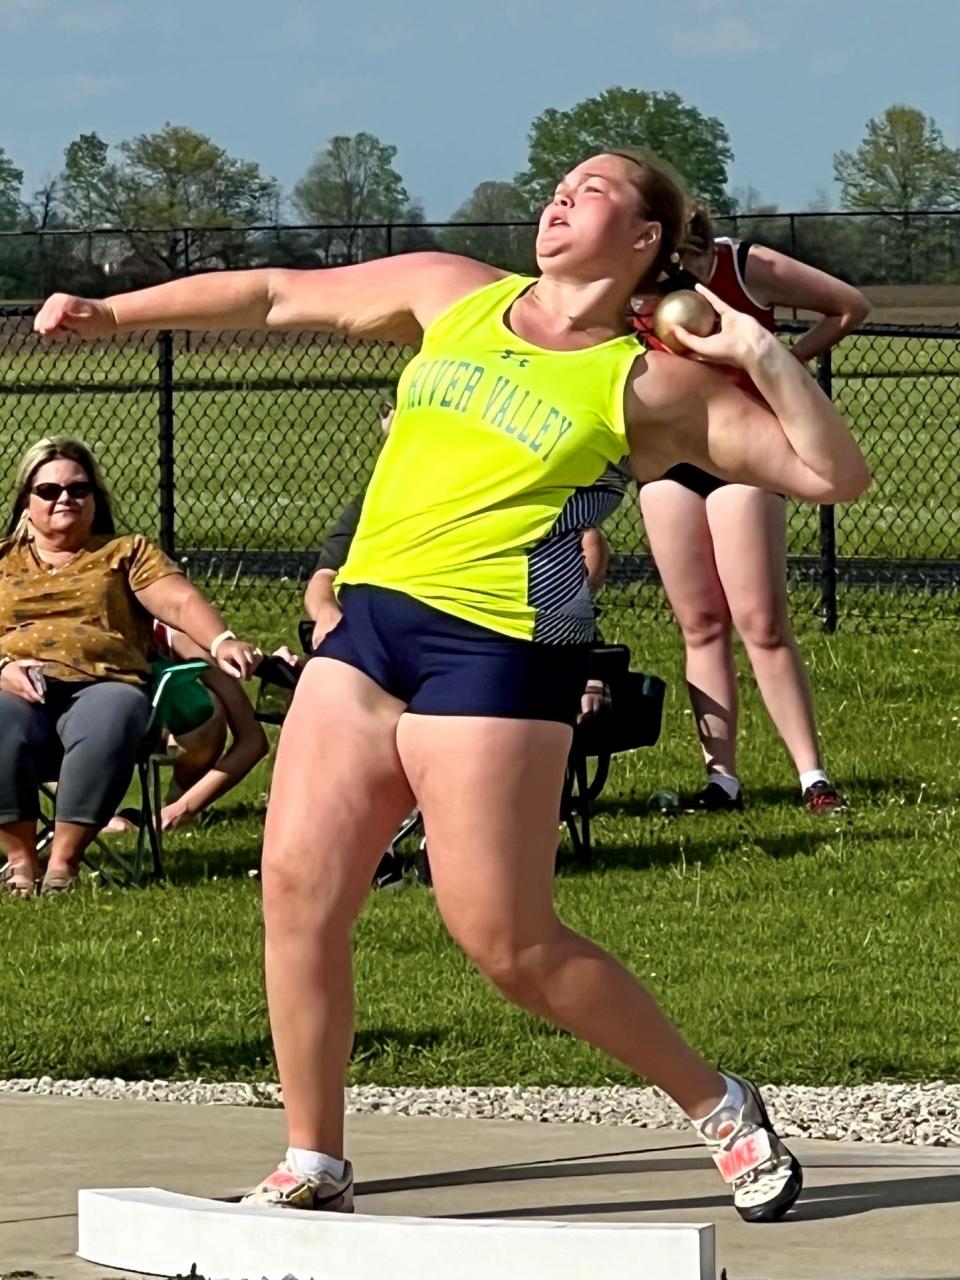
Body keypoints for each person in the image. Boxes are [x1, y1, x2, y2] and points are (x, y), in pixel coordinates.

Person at [35, 148, 869, 1223]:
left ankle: (719, 1105)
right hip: (373, 626)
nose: (562, 197)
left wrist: (754, 342)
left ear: (648, 239)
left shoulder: (648, 380)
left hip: (500, 650)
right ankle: (314, 1158)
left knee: (505, 940)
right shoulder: (455, 293)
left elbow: (832, 473)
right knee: (295, 892)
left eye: (595, 190)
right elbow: (280, 292)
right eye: (560, 184)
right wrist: (114, 313)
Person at [634, 209, 870, 813]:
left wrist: (779, 364)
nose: (677, 270)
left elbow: (848, 306)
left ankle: (813, 779)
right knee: (701, 625)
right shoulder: (631, 282)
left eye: (685, 256)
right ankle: (722, 782)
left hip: (745, 454)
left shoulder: (744, 263)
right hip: (668, 464)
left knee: (762, 624)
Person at [0, 437, 259, 896]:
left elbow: (177, 599)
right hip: (17, 685)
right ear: (26, 503)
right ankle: (20, 862)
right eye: (49, 491)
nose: (65, 498)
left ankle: (62, 865)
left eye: (79, 489)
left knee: (115, 712)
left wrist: (220, 640)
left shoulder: (124, 553)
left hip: (105, 681)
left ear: (96, 498)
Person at [105, 620, 268, 834]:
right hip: (86, 733)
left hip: (155, 726)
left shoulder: (177, 630)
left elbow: (252, 739)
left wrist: (184, 807)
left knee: (206, 709)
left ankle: (175, 800)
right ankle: (88, 812)